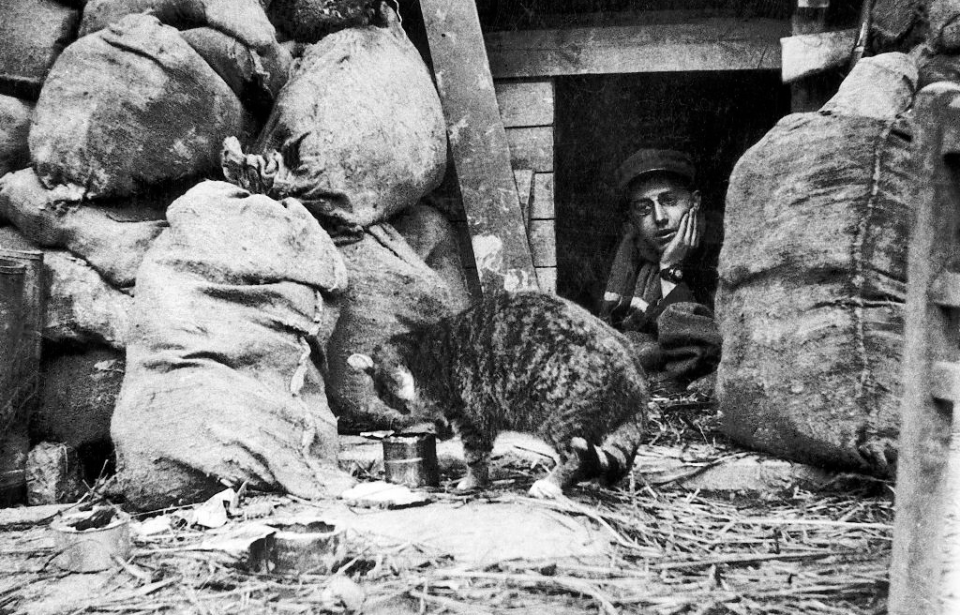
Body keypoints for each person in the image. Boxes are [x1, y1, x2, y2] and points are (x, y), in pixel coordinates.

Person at [600, 148, 721, 391]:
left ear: (695, 201)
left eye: (669, 201)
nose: (659, 217)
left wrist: (670, 268)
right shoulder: (630, 260)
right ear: (631, 219)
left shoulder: (721, 254)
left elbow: (697, 359)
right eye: (644, 208)